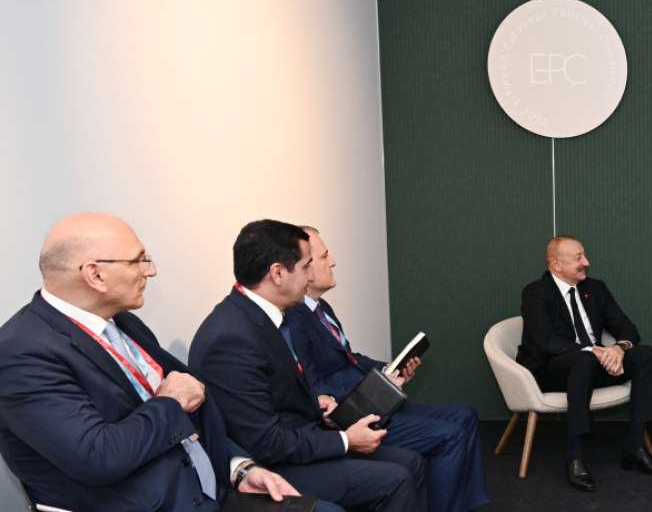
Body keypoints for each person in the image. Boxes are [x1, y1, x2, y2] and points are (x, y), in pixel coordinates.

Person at [0, 213, 319, 511]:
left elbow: (189, 420)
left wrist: (239, 468)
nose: (150, 271)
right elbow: (99, 456)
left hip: (206, 490)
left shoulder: (123, 322)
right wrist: (171, 401)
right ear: (95, 274)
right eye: (139, 260)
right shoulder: (21, 353)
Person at [189, 219, 427, 511]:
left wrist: (321, 409)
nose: (310, 276)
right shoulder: (231, 339)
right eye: (305, 266)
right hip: (271, 468)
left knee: (411, 462)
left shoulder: (266, 317)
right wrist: (345, 440)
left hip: (301, 438)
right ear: (278, 273)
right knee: (396, 479)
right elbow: (265, 442)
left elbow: (278, 396)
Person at [286, 225, 489, 512]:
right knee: (449, 435)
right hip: (354, 414)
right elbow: (314, 385)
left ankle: (464, 503)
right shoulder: (295, 319)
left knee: (466, 416)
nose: (332, 262)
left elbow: (349, 358)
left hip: (373, 398)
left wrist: (389, 369)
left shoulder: (322, 309)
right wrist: (377, 386)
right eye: (324, 256)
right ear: (305, 269)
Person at [515, 235, 652, 492]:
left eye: (584, 255)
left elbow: (628, 329)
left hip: (593, 365)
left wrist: (618, 349)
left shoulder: (595, 288)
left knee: (645, 355)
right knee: (584, 359)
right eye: (579, 258)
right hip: (551, 370)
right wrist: (596, 352)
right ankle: (575, 457)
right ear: (556, 264)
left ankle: (636, 448)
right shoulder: (535, 293)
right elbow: (545, 341)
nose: (586, 262)